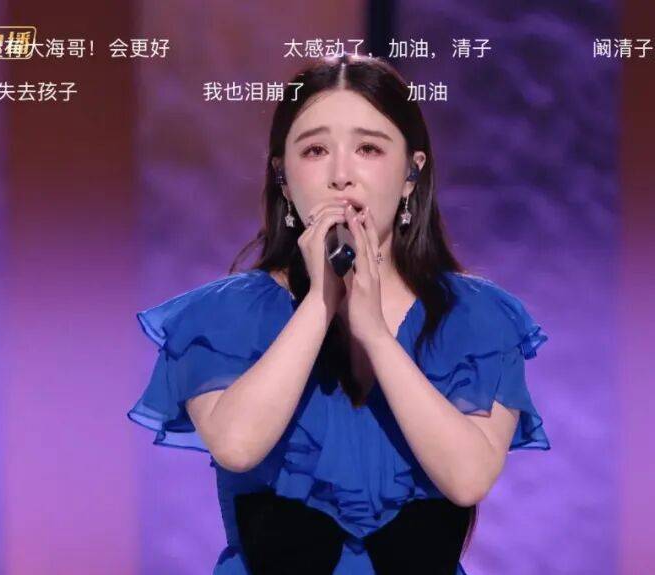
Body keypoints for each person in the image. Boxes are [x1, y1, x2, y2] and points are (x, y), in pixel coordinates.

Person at [127, 54, 551, 574]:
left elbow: (468, 478)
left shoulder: (477, 317)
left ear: (411, 174)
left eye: (369, 148)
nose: (341, 176)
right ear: (283, 178)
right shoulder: (221, 316)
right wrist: (320, 302)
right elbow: (236, 445)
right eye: (315, 150)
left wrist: (375, 334)